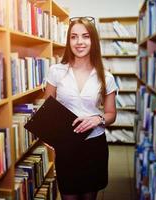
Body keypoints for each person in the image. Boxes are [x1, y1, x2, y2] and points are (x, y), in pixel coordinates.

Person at [44, 16, 117, 200]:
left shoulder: (106, 77)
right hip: (66, 145)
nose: (79, 42)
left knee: (89, 197)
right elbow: (47, 110)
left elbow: (111, 114)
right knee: (68, 195)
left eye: (85, 36)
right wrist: (47, 134)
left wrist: (98, 119)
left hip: (94, 146)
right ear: (68, 41)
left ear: (93, 40)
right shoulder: (56, 71)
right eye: (74, 37)